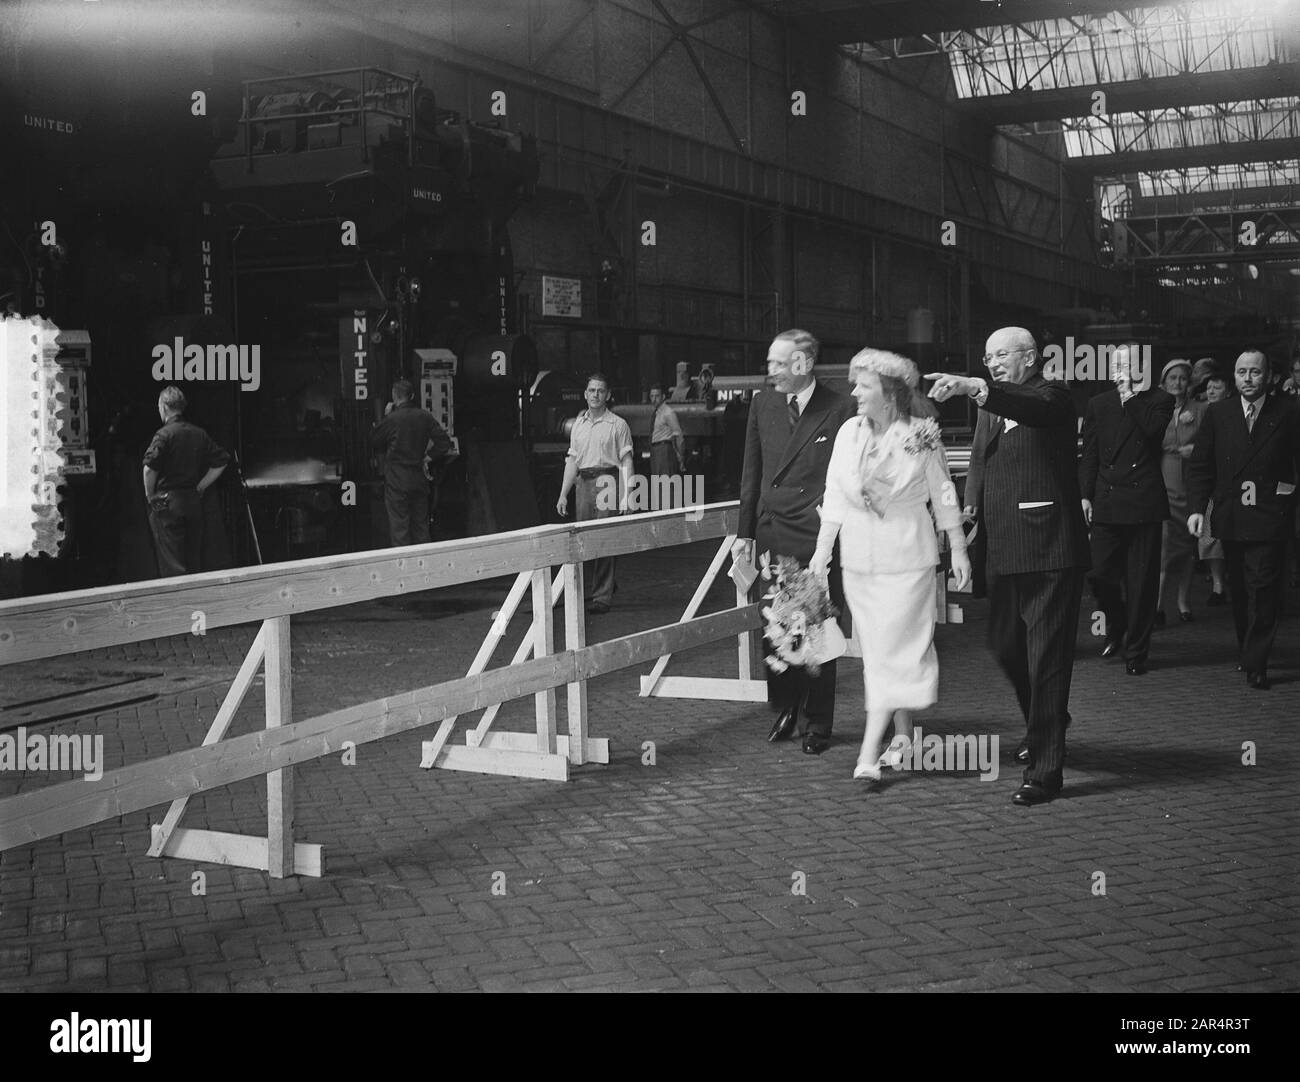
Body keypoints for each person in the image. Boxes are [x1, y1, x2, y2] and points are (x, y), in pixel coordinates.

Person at [927, 327, 1090, 806]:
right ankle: (1048, 719)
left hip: (1049, 550)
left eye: (1001, 355)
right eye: (987, 356)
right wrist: (970, 507)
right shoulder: (992, 406)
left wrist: (976, 386)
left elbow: (1033, 409)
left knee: (1047, 659)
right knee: (1004, 644)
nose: (993, 362)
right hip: (1002, 549)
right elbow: (980, 458)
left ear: (1031, 357)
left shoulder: (1052, 394)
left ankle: (1045, 770)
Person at [811, 349, 971, 781]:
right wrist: (821, 555)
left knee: (892, 653)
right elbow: (835, 496)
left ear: (890, 394)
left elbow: (943, 493)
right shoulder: (848, 433)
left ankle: (868, 751)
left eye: (863, 385)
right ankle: (903, 737)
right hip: (861, 561)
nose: (854, 392)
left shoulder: (920, 433)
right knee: (878, 654)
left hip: (908, 558)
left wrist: (958, 545)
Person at [734, 329, 856, 755]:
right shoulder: (763, 404)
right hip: (772, 530)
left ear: (804, 363)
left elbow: (847, 478)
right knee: (776, 625)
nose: (770, 372)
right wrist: (743, 532)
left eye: (778, 364)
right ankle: (787, 704)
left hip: (816, 534)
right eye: (769, 363)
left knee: (817, 627)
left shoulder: (841, 407)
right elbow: (752, 472)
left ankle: (818, 722)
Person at [1187, 350, 1300, 690]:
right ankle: (1247, 649)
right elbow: (1201, 465)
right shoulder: (1218, 413)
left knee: (1264, 588)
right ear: (1233, 377)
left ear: (1268, 377)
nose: (1247, 378)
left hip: (1271, 515)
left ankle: (1257, 663)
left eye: (1254, 372)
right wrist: (1196, 509)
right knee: (1239, 591)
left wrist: (1289, 494)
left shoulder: (1289, 412)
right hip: (1232, 515)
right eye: (1241, 372)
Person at [1078, 346, 1175, 675]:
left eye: (1126, 363)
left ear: (1142, 368)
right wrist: (1085, 495)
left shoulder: (1159, 399)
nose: (1119, 368)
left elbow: (1151, 431)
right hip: (1107, 500)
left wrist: (1129, 395)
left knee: (1141, 583)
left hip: (1144, 502)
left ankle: (1136, 652)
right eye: (1116, 363)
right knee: (1098, 573)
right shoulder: (1098, 404)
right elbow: (1089, 453)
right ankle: (1117, 625)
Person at [556, 373, 634, 614]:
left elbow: (627, 461)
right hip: (583, 484)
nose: (596, 395)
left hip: (607, 483)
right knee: (584, 541)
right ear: (585, 394)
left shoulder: (618, 425)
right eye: (592, 390)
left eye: (600, 391)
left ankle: (601, 596)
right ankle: (606, 583)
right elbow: (572, 461)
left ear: (608, 395)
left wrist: (627, 495)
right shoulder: (578, 424)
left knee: (603, 539)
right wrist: (563, 494)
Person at [142, 385, 230, 577]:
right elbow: (222, 461)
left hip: (167, 503)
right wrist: (201, 486)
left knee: (173, 566)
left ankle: (178, 605)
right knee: (193, 564)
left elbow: (149, 469)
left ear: (164, 407)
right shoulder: (199, 433)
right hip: (193, 502)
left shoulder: (164, 435)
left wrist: (151, 496)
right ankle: (195, 606)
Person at [370, 378, 453, 547]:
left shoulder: (392, 419)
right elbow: (444, 442)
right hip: (418, 480)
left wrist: (385, 417)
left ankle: (405, 571)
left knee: (400, 531)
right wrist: (428, 458)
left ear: (394, 396)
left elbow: (375, 441)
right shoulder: (424, 416)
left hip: (397, 483)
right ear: (413, 395)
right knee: (421, 530)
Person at [1154, 359, 1205, 625]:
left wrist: (1196, 451)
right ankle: (1158, 605)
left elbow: (1211, 445)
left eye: (1182, 378)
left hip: (1191, 482)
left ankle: (1183, 602)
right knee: (1163, 547)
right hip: (1164, 479)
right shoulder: (1156, 409)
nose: (1177, 383)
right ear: (1163, 382)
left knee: (1188, 548)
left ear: (1189, 382)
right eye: (1172, 378)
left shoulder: (1201, 409)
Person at [1198, 372, 1231, 604]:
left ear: (1227, 391)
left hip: (1229, 481)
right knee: (1210, 536)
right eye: (1208, 387)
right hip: (1208, 483)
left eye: (1216, 387)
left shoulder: (1232, 413)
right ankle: (1218, 584)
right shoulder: (1201, 411)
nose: (1210, 391)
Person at [648, 384, 685, 497]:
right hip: (656, 451)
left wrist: (681, 458)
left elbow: (678, 435)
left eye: (657, 396)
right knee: (658, 485)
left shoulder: (668, 412)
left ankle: (669, 512)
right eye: (652, 396)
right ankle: (661, 512)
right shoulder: (657, 412)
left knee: (666, 485)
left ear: (663, 396)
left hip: (665, 450)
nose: (654, 399)